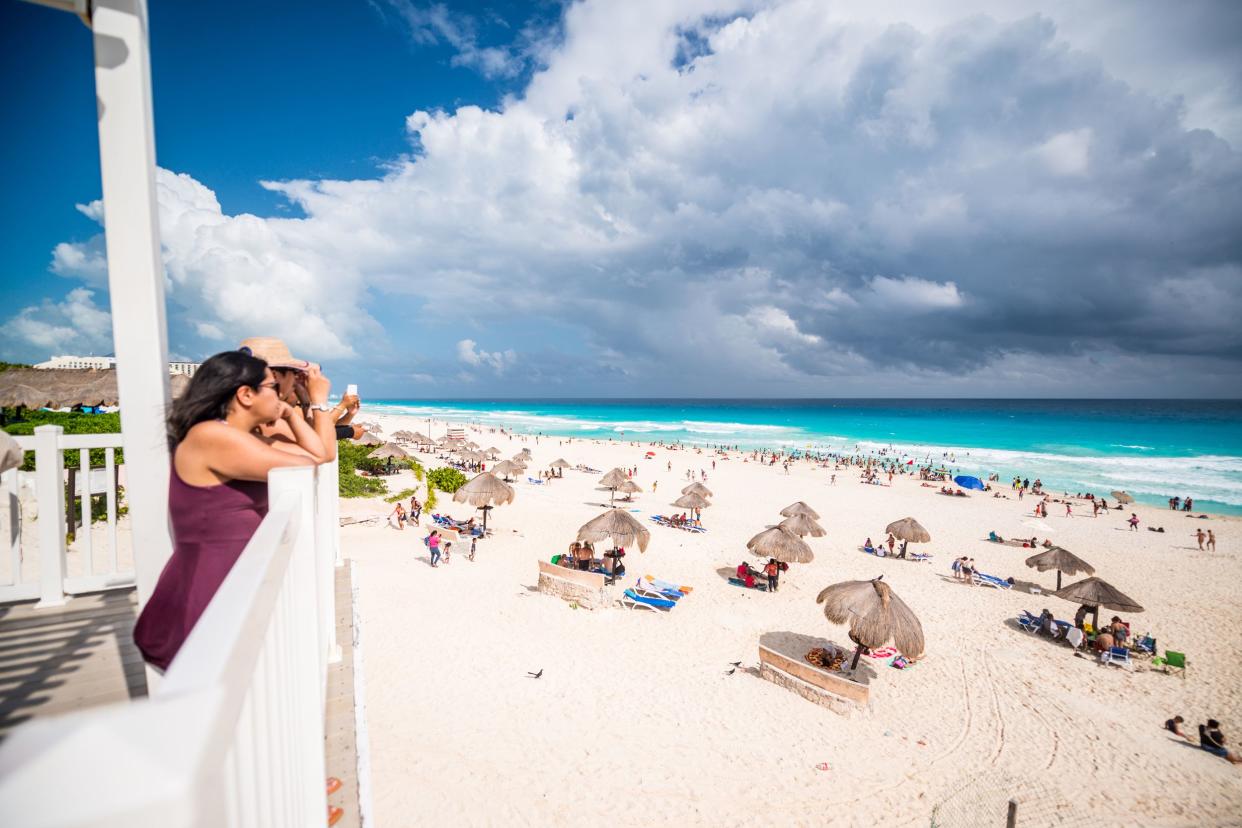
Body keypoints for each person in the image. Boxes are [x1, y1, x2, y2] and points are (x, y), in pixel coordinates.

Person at [132, 350, 329, 671]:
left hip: (226, 582)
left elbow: (318, 455)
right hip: (203, 594)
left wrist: (292, 415)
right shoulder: (213, 437)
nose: (280, 394)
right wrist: (299, 408)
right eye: (272, 387)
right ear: (246, 394)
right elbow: (309, 464)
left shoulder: (236, 437)